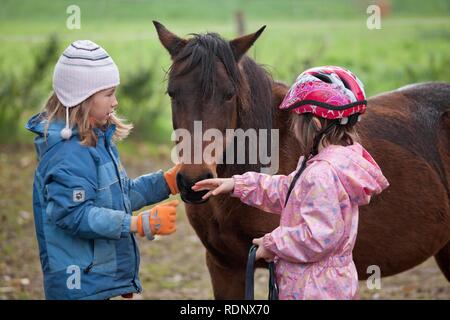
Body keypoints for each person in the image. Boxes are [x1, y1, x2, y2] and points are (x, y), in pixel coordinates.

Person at [192, 66, 389, 300]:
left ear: (315, 124)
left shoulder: (321, 175)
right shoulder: (334, 163)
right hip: (326, 284)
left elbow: (318, 238)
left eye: (294, 119)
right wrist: (238, 185)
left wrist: (271, 244)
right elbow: (289, 190)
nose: (292, 126)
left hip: (312, 289)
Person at [25, 40, 180, 300]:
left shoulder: (96, 140)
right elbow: (74, 215)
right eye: (108, 94)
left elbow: (118, 196)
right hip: (78, 286)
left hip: (95, 280)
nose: (115, 102)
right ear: (82, 98)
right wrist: (135, 223)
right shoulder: (68, 154)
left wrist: (167, 182)